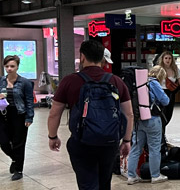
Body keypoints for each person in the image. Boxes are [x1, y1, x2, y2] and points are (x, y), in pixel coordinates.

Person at [48, 40, 134, 190]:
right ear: (102, 58)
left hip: (82, 142)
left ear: (82, 56)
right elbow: (129, 114)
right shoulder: (116, 81)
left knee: (87, 184)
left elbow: (54, 114)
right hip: (109, 142)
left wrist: (53, 136)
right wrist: (126, 140)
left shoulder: (70, 81)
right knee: (104, 183)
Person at [127, 66, 169, 184]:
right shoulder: (154, 83)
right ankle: (155, 176)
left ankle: (131, 176)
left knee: (135, 148)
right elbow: (165, 100)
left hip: (138, 120)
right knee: (154, 148)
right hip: (152, 119)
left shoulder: (140, 82)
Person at [0, 55, 34, 181]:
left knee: (18, 143)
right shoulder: (1, 81)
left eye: (12, 66)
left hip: (19, 114)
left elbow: (29, 101)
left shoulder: (25, 82)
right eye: (7, 66)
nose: (9, 69)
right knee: (3, 142)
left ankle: (18, 169)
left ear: (17, 67)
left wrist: (29, 117)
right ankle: (15, 158)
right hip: (3, 114)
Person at [156, 51, 180, 144]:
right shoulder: (159, 69)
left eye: (169, 58)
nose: (168, 60)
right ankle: (161, 136)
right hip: (160, 93)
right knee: (161, 116)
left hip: (170, 94)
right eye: (166, 58)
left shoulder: (175, 69)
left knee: (168, 115)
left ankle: (162, 135)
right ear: (162, 59)